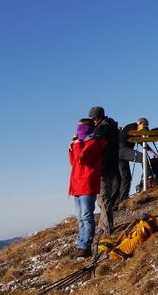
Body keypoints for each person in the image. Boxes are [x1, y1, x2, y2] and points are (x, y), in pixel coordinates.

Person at [69, 118, 105, 258]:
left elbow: (82, 159)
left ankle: (86, 245)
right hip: (77, 184)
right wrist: (72, 147)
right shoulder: (84, 143)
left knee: (86, 216)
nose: (78, 132)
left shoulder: (94, 142)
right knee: (80, 217)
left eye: (80, 129)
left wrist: (77, 144)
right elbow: (74, 162)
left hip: (87, 183)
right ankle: (81, 244)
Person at [89, 106, 119, 235]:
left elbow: (95, 141)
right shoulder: (111, 125)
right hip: (111, 166)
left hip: (104, 167)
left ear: (99, 117)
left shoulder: (103, 127)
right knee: (103, 198)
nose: (93, 121)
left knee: (103, 198)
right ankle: (103, 226)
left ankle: (106, 229)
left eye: (94, 119)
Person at [118, 120, 146, 199]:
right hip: (123, 149)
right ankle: (146, 178)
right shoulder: (133, 126)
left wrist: (151, 151)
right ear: (140, 123)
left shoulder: (128, 127)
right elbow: (140, 139)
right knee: (143, 157)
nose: (145, 128)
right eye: (145, 125)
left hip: (118, 152)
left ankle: (122, 199)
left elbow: (140, 141)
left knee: (126, 177)